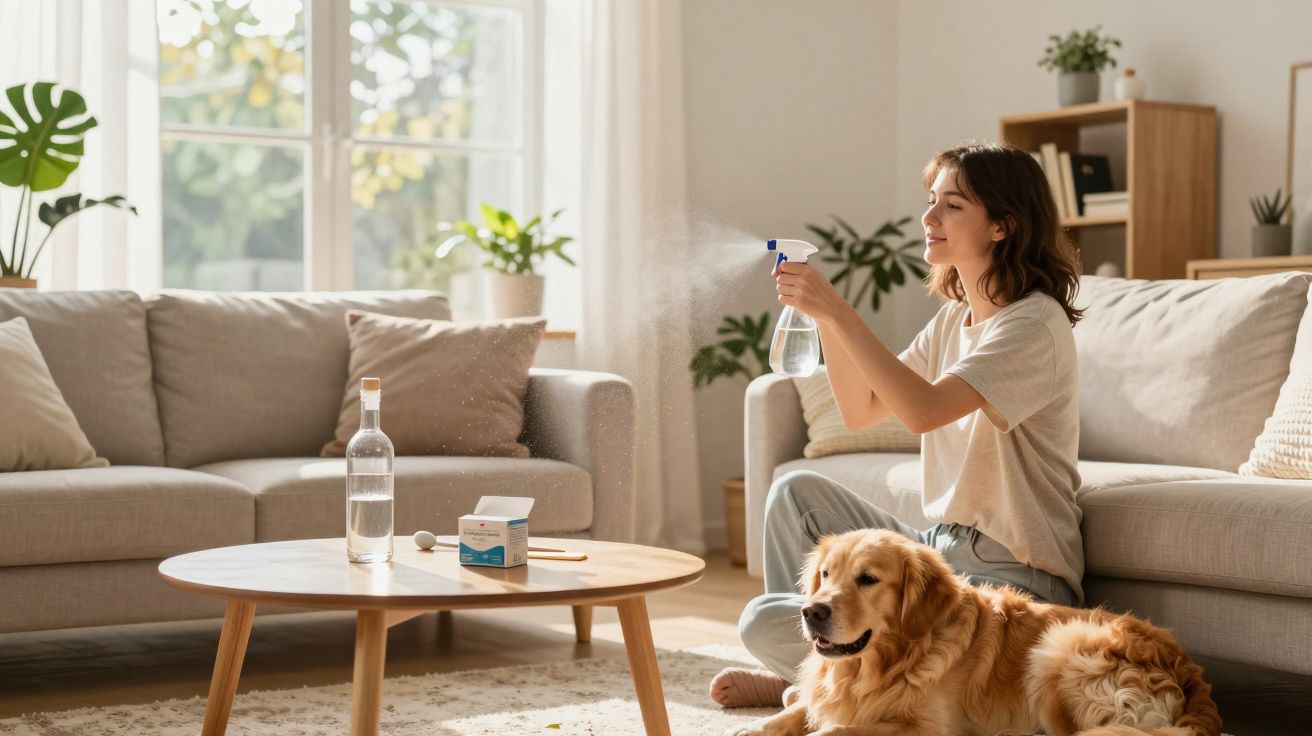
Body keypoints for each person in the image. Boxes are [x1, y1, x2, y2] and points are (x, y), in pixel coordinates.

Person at [711, 141, 1087, 709]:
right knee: (795, 494)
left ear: (1002, 225)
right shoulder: (954, 319)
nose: (929, 218)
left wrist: (840, 312)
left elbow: (922, 410)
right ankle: (817, 679)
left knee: (762, 620)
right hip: (941, 548)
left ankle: (811, 683)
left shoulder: (1033, 324)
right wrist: (823, 318)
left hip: (1015, 576)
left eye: (952, 206)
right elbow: (861, 410)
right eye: (931, 201)